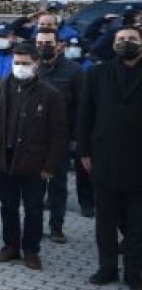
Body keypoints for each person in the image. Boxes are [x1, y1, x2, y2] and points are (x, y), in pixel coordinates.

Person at [0, 42, 67, 271]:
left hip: (35, 163)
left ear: (36, 64)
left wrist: (50, 166)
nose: (20, 67)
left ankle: (31, 250)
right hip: (5, 160)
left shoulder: (50, 94)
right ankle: (10, 245)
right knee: (7, 206)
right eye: (16, 63)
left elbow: (59, 133)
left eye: (25, 63)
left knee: (33, 208)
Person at [78, 26, 142, 290]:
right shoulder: (97, 73)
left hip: (139, 161)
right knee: (105, 220)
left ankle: (134, 271)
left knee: (138, 223)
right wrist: (83, 151)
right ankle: (107, 267)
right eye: (121, 39)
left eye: (133, 39)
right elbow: (85, 113)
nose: (126, 43)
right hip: (104, 158)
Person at [35, 28, 88, 242]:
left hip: (60, 139)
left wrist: (77, 138)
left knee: (58, 185)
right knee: (34, 187)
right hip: (33, 138)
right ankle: (34, 225)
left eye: (48, 43)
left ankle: (56, 226)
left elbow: (83, 107)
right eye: (39, 43)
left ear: (58, 45)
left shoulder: (74, 71)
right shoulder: (32, 68)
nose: (43, 47)